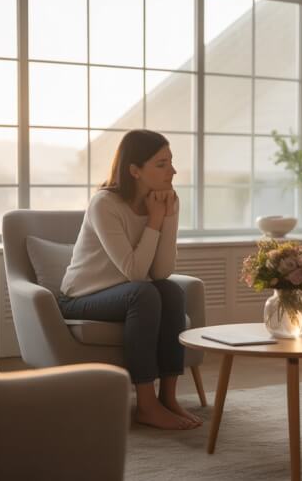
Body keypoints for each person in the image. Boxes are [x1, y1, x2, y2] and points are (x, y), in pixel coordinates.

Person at [58, 129, 201, 430]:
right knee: (144, 293)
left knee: (171, 291)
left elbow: (160, 272)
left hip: (127, 293)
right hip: (81, 298)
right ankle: (146, 405)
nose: (172, 170)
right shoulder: (104, 204)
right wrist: (154, 220)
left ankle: (168, 398)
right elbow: (135, 272)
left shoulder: (166, 200)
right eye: (161, 164)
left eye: (171, 162)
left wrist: (167, 215)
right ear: (135, 170)